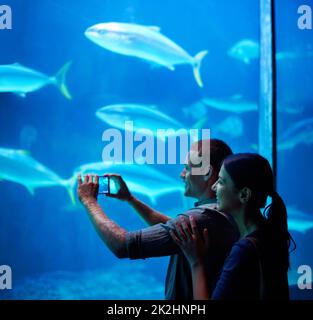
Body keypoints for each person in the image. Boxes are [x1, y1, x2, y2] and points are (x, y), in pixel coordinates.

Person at [77, 139, 239, 300]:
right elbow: (173, 227)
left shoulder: (201, 218)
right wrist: (130, 199)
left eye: (187, 168)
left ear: (207, 173)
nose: (181, 174)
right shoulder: (222, 212)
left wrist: (89, 201)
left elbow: (121, 245)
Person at [170, 153, 295, 300]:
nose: (214, 186)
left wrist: (196, 262)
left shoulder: (243, 251)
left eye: (221, 182)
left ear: (244, 195)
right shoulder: (270, 233)